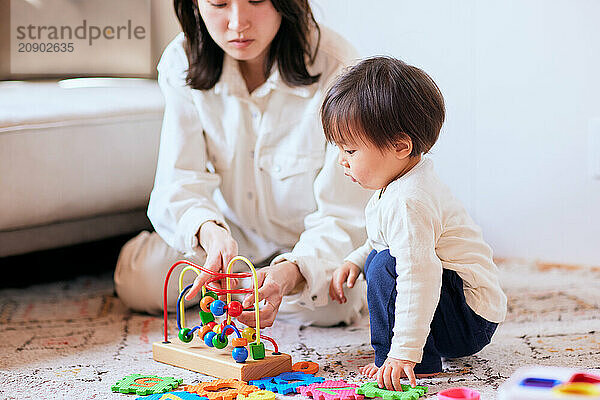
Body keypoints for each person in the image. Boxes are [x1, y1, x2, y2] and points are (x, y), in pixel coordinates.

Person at [114, 0, 372, 327]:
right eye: (219, 3)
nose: (238, 23)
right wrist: (210, 233)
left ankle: (250, 290)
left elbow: (344, 213)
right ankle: (242, 288)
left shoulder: (338, 67)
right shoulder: (181, 61)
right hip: (228, 234)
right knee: (142, 281)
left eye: (255, 1)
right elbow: (178, 180)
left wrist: (292, 271)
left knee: (335, 305)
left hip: (306, 242)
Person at [323, 57, 507, 391]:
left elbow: (419, 276)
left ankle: (411, 362)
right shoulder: (397, 184)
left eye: (350, 149)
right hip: (457, 309)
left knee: (385, 267)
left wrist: (404, 352)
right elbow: (383, 235)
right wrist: (355, 257)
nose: (341, 160)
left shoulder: (410, 199)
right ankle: (398, 354)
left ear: (400, 146)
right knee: (376, 259)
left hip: (470, 319)